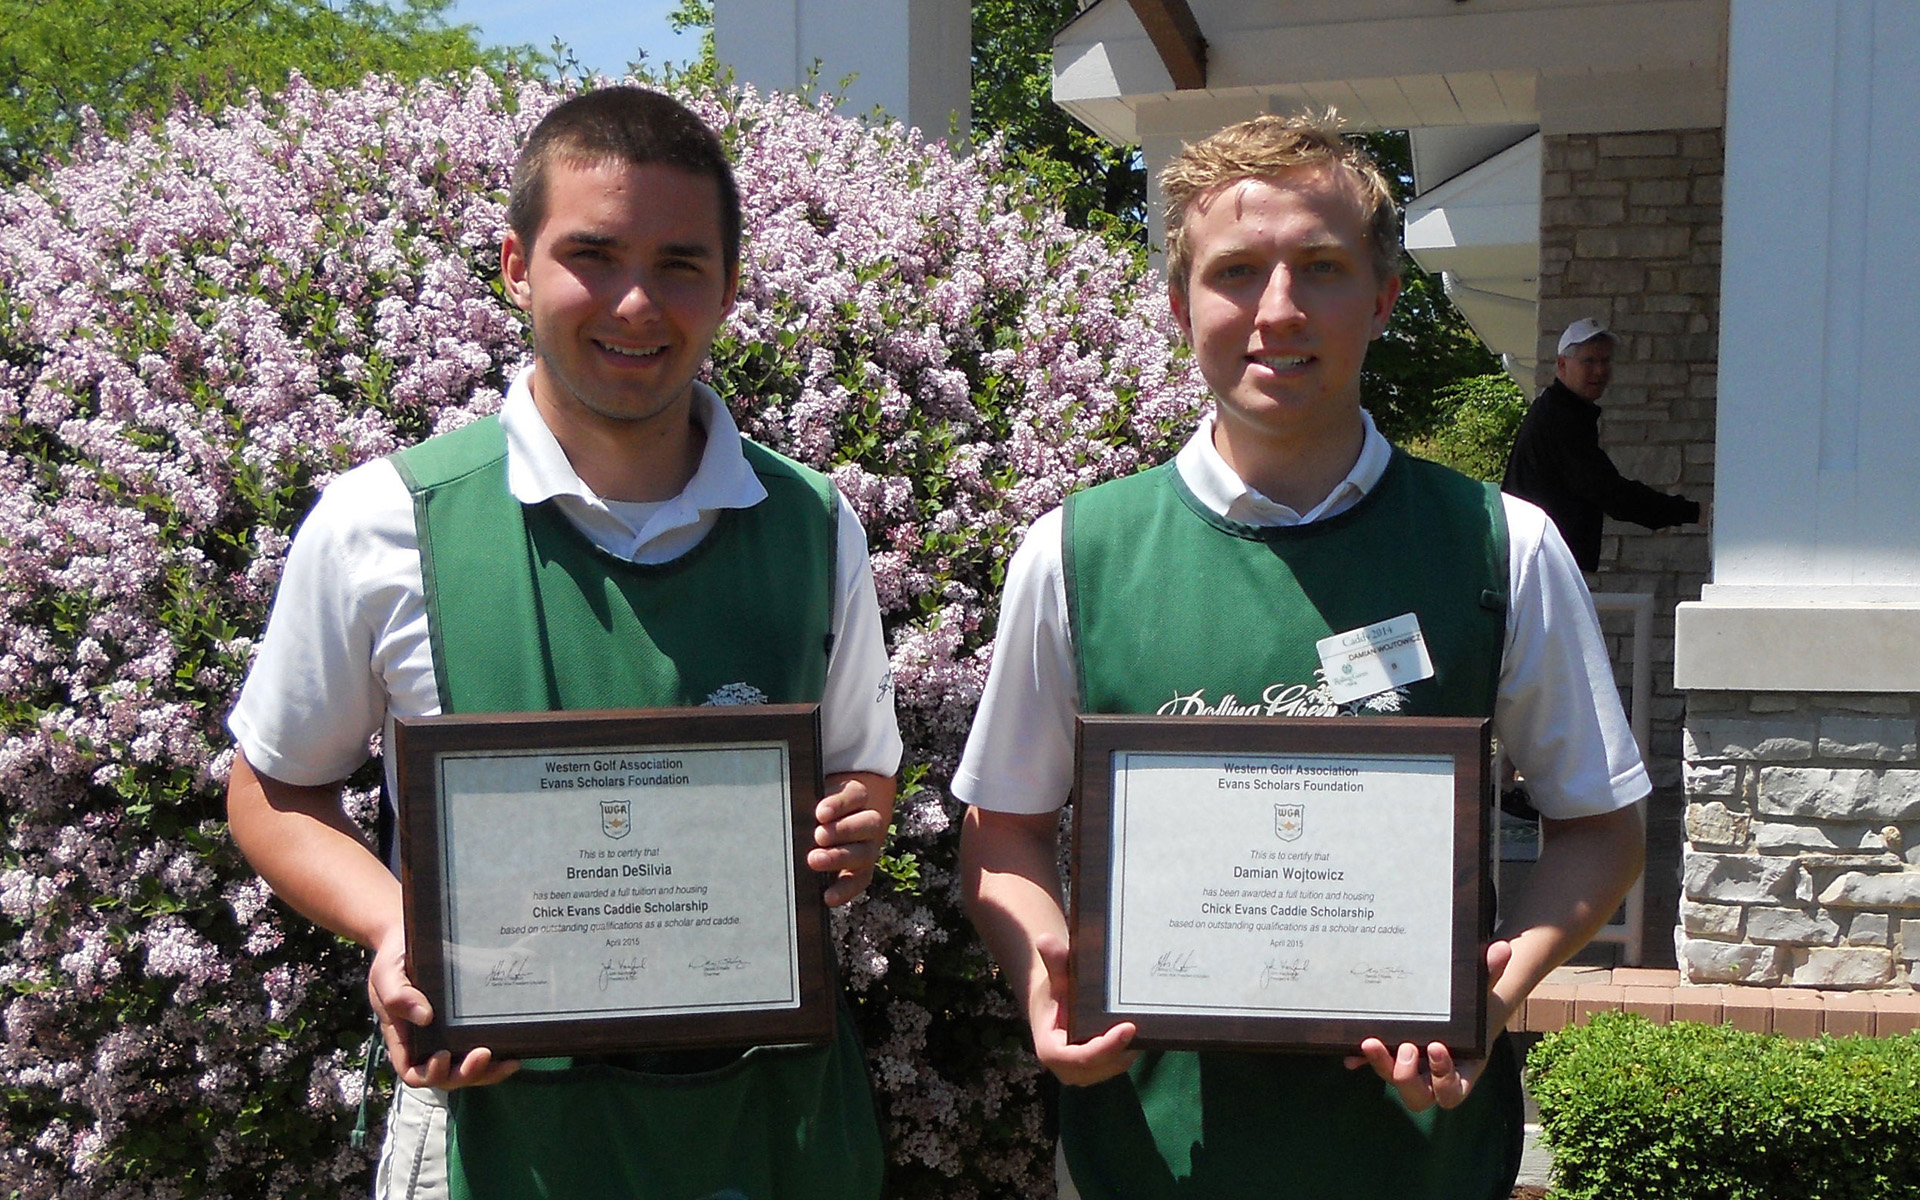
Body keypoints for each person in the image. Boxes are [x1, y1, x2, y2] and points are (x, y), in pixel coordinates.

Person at [225, 86, 901, 1199]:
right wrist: (400, 931)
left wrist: (855, 823)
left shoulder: (815, 523)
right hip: (490, 1123)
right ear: (516, 267)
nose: (636, 302)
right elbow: (272, 790)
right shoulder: (382, 521)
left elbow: (860, 766)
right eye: (592, 255)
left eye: (680, 264)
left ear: (729, 287)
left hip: (769, 1122)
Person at [955, 114, 1646, 1200]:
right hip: (1147, 1162)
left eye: (1320, 268)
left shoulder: (1503, 545)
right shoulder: (1076, 554)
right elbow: (1003, 831)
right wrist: (1047, 983)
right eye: (1235, 271)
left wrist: (1492, 992)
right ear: (1180, 306)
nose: (1278, 309)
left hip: (1417, 1161)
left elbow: (1602, 828)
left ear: (1383, 300)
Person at [1502, 318, 1701, 572]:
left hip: (1540, 560)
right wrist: (1693, 512)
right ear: (1562, 365)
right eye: (1589, 361)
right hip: (1537, 563)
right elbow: (1608, 491)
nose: (1599, 371)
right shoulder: (1559, 418)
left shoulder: (1563, 411)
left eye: (1605, 361)